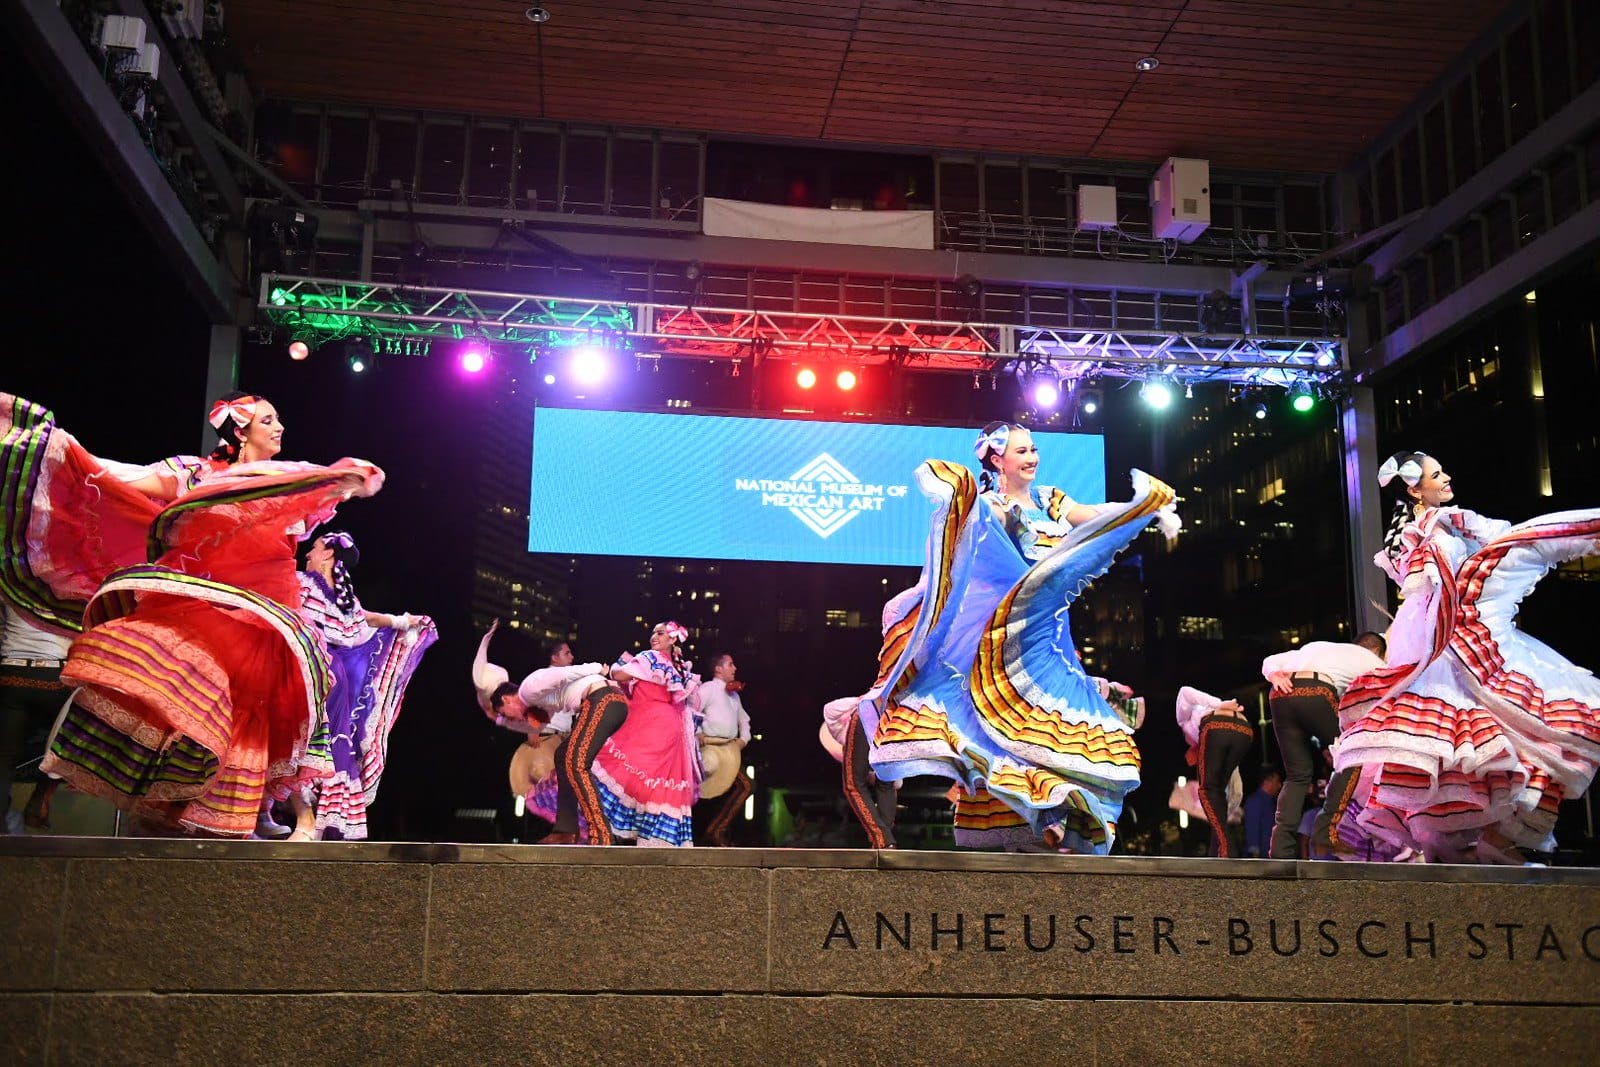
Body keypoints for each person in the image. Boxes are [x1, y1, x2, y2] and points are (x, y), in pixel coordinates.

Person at [1, 390, 382, 836]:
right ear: (240, 431)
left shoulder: (284, 480)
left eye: (277, 420)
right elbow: (119, 478)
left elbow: (312, 491)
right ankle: (169, 806)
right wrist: (59, 449)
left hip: (271, 611)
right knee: (198, 705)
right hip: (212, 609)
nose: (279, 427)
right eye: (267, 420)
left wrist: (343, 477)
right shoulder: (194, 474)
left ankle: (270, 810)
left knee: (273, 704)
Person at [856, 421, 1179, 853]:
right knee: (1008, 718)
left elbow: (1090, 516)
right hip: (1009, 632)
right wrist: (966, 500)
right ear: (997, 459)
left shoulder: (1050, 499)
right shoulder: (995, 506)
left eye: (1034, 449)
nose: (1032, 458)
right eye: (1022, 451)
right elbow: (982, 534)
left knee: (1049, 722)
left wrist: (1139, 509)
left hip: (1051, 631)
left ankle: (1048, 815)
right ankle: (1033, 816)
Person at [1325, 450, 1600, 863]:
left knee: (1479, 741)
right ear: (1415, 490)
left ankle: (1479, 841)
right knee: (1482, 738)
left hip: (1445, 640)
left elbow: (1504, 545)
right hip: (1446, 643)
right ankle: (1472, 842)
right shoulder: (1432, 528)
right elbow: (1503, 545)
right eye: (1437, 475)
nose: (1447, 478)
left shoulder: (1431, 531)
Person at [291, 531, 436, 840]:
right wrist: (400, 621)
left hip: (316, 673)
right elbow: (367, 619)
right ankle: (314, 820)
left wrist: (400, 622)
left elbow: (364, 619)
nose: (307, 554)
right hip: (332, 678)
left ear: (328, 554)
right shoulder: (342, 599)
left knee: (298, 739)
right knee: (319, 743)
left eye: (314, 548)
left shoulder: (305, 585)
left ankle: (304, 820)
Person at [474, 624, 626, 845]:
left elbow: (563, 673)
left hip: (603, 699)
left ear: (506, 699)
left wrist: (597, 668)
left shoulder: (529, 688)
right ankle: (566, 829)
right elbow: (533, 728)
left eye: (505, 714)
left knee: (575, 762)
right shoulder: (537, 704)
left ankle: (601, 834)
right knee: (563, 757)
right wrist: (498, 720)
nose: (510, 719)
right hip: (597, 704)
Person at [1261, 632, 1385, 859]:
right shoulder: (1371, 660)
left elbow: (1270, 661)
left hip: (1280, 694)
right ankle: (1325, 830)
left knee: (1297, 775)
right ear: (1376, 651)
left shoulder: (1313, 648)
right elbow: (1395, 686)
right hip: (1315, 691)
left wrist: (1273, 675)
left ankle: (1280, 847)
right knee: (1352, 758)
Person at [591, 621, 701, 847]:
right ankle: (655, 840)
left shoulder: (651, 658)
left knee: (612, 767)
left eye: (660, 633)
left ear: (672, 639)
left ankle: (602, 826)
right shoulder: (678, 667)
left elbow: (619, 675)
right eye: (653, 633)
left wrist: (612, 668)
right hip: (670, 729)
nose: (654, 637)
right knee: (658, 784)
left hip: (649, 724)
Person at [0, 603, 70, 833]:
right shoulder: (77, 593)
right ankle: (42, 795)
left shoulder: (12, 587)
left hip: (12, 674)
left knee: (4, 759)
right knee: (72, 738)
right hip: (56, 678)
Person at [1175, 686, 1253, 857]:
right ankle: (1216, 851)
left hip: (1217, 726)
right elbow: (1232, 780)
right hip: (1244, 730)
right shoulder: (1204, 740)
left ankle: (1227, 850)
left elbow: (1185, 692)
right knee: (1216, 795)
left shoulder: (1186, 719)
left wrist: (1219, 704)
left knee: (1206, 790)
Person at [821, 696, 898, 849]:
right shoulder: (861, 754)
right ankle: (885, 842)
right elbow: (895, 783)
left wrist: (860, 700)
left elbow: (829, 709)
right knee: (886, 784)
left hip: (871, 716)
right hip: (892, 720)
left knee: (853, 785)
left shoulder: (841, 733)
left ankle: (883, 840)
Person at [696, 653, 752, 847]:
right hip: (708, 749)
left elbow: (744, 720)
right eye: (730, 664)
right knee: (690, 791)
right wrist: (697, 732)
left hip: (728, 750)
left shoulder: (734, 695)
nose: (734, 668)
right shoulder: (707, 689)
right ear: (718, 669)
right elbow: (691, 711)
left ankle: (716, 831)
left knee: (746, 786)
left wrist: (743, 740)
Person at [1242, 767, 1282, 858]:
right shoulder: (1255, 801)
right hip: (1259, 858)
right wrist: (1254, 853)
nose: (1280, 785)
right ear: (1267, 782)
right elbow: (1252, 826)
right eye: (1277, 781)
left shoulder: (1272, 803)